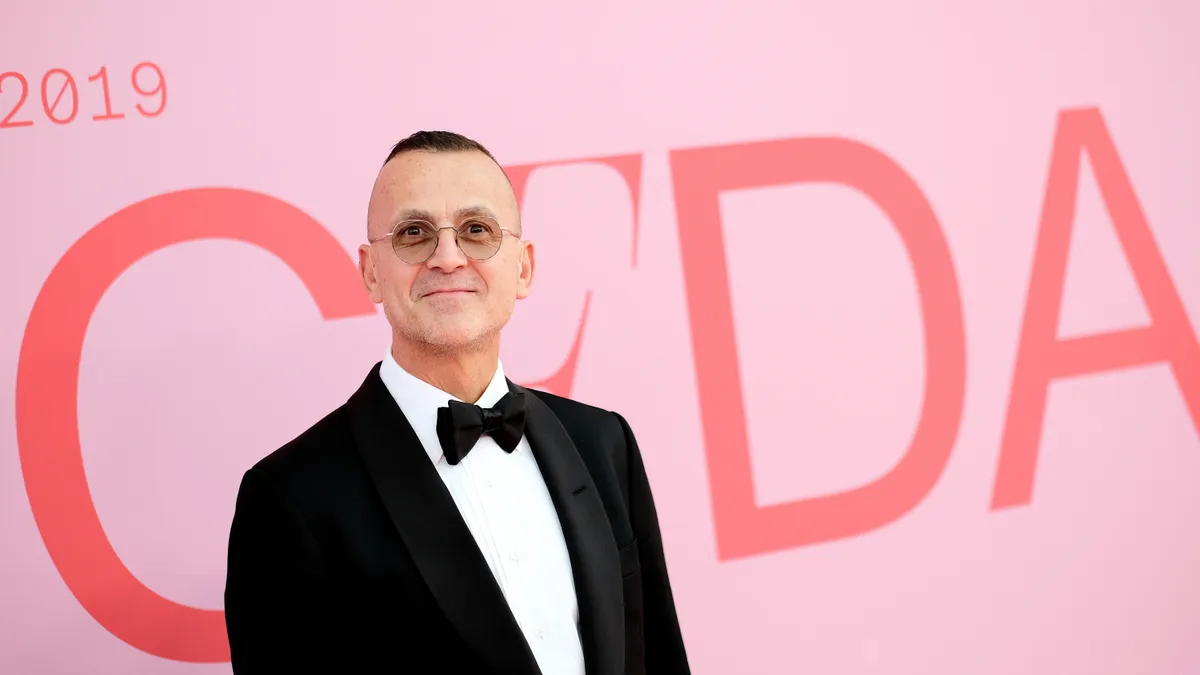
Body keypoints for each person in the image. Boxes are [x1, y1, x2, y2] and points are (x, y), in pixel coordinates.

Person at [223, 130, 691, 675]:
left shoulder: (604, 442)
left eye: (476, 230)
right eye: (414, 233)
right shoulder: (292, 497)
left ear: (523, 267)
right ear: (371, 271)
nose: (448, 258)